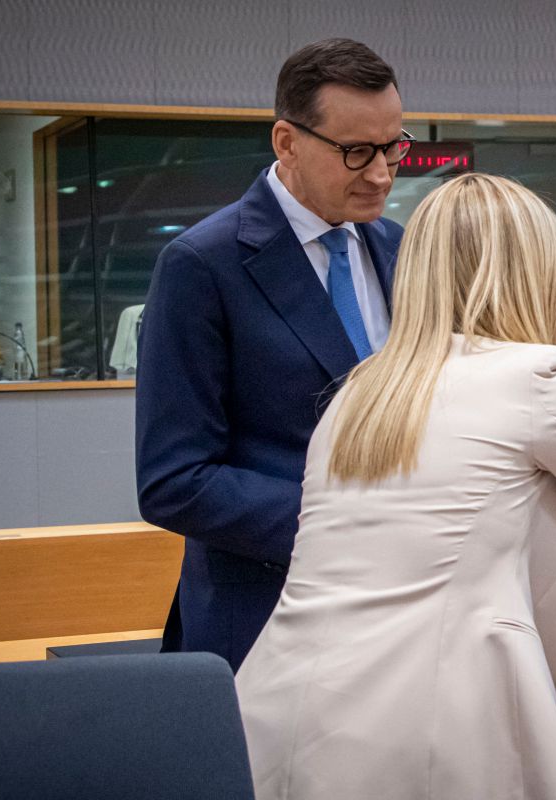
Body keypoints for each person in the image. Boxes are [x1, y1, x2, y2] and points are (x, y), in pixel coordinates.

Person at [234, 173, 556, 799]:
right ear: (536, 274)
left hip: (285, 703)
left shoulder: (361, 392)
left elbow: (459, 512)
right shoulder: (536, 379)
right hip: (425, 721)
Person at [136, 39, 409, 671]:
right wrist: (350, 526)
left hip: (398, 617)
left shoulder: (398, 246)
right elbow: (174, 481)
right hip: (267, 617)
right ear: (286, 142)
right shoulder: (203, 264)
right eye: (356, 152)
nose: (382, 173)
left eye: (394, 146)